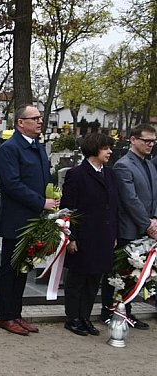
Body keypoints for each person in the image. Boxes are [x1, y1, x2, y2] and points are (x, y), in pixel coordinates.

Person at [0, 104, 56, 336]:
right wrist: (41, 202)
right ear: (21, 123)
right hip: (17, 219)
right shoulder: (10, 149)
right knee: (10, 268)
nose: (40, 121)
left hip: (35, 219)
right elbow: (12, 184)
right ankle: (5, 316)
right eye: (35, 118)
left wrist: (51, 197)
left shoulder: (37, 146)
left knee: (24, 268)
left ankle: (16, 314)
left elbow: (44, 178)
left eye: (40, 118)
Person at [60, 133, 118, 336]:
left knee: (94, 279)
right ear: (94, 149)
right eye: (106, 148)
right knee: (77, 279)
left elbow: (114, 206)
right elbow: (68, 207)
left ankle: (85, 316)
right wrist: (71, 237)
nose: (110, 151)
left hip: (103, 235)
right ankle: (72, 318)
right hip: (83, 235)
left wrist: (114, 234)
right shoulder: (76, 174)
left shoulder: (110, 174)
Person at [102, 123, 157, 328]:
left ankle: (127, 311)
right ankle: (110, 311)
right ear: (133, 140)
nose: (150, 145)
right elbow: (130, 199)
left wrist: (155, 218)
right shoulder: (124, 165)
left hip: (147, 226)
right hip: (129, 228)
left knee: (135, 274)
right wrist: (148, 224)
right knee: (120, 272)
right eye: (146, 141)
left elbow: (154, 195)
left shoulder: (149, 164)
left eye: (153, 141)